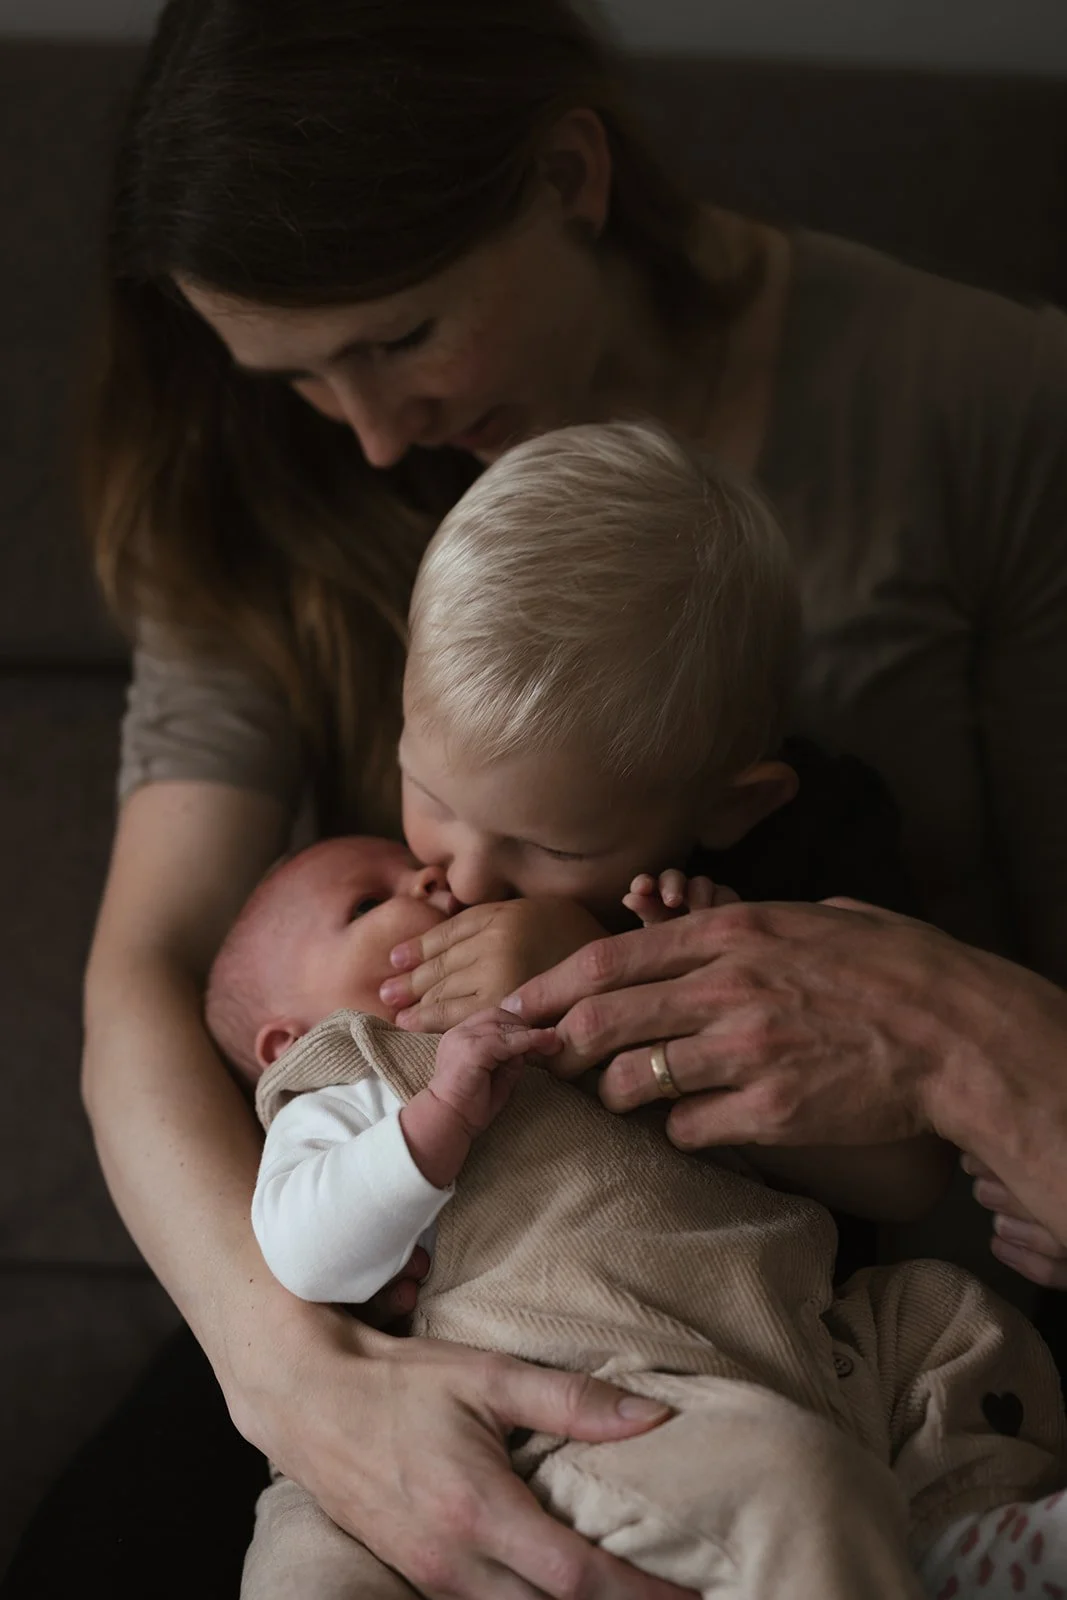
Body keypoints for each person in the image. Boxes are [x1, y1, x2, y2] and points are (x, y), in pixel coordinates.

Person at [7, 0, 1067, 1594]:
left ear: (568, 178)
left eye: (400, 336)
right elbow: (147, 978)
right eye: (296, 373)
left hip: (781, 1260)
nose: (367, 437)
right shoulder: (258, 474)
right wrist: (297, 1381)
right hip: (405, 1268)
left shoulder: (982, 405)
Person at [203, 835, 1060, 1600]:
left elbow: (754, 1065)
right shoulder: (345, 1084)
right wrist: (437, 1116)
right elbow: (305, 1251)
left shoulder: (557, 992)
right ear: (288, 1040)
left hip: (798, 1338)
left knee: (952, 1321)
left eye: (413, 868)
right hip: (586, 1412)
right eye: (367, 900)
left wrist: (678, 963)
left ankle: (958, 1536)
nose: (429, 878)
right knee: (312, 1563)